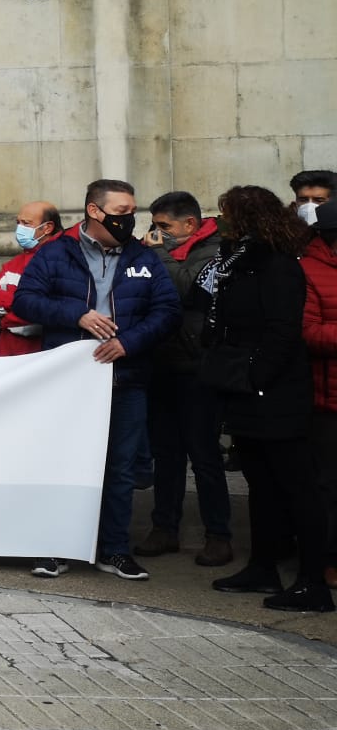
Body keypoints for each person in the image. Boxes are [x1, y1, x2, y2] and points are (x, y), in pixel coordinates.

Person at [14, 178, 180, 581]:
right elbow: (24, 300)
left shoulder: (144, 257)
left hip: (125, 378)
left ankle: (114, 550)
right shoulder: (55, 254)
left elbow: (167, 310)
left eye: (131, 211)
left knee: (121, 469)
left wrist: (128, 343)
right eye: (121, 212)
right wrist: (76, 314)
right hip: (68, 382)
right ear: (94, 210)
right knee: (64, 465)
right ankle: (57, 548)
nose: (130, 219)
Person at [203, 186, 330, 612]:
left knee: (297, 487)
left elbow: (281, 329)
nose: (221, 221)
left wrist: (256, 377)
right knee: (261, 485)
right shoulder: (241, 261)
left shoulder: (276, 264)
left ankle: (312, 582)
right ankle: (263, 566)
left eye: (226, 214)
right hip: (248, 388)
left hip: (273, 391)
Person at [138, 191, 233, 567]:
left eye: (165, 227)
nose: (157, 234)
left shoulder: (217, 251)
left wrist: (156, 254)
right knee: (167, 454)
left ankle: (218, 534)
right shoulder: (161, 250)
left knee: (204, 453)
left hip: (197, 366)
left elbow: (185, 289)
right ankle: (165, 527)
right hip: (161, 361)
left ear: (190, 224)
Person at [299, 200, 337, 593]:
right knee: (329, 486)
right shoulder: (308, 270)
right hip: (328, 400)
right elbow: (307, 332)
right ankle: (328, 559)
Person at [0, 202, 63, 357]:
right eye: (18, 222)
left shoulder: (64, 258)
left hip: (48, 353)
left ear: (47, 227)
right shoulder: (14, 264)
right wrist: (24, 304)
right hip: (11, 353)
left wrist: (6, 318)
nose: (19, 228)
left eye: (26, 223)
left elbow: (57, 312)